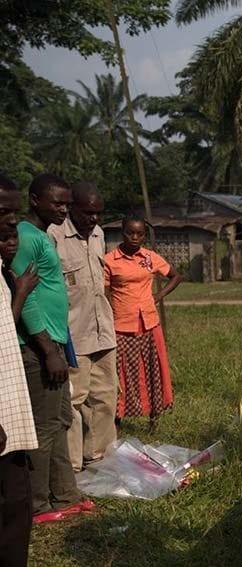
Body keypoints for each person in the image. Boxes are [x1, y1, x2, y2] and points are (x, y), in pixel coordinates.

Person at [12, 173, 94, 520]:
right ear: (35, 201)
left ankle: (65, 494)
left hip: (56, 343)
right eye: (56, 203)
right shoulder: (25, 237)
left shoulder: (43, 236)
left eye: (66, 204)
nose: (63, 209)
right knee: (45, 426)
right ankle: (38, 504)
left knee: (60, 419)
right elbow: (25, 297)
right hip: (38, 346)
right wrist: (46, 349)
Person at [49, 182, 116, 472]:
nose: (94, 219)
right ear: (71, 207)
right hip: (73, 334)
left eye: (98, 213)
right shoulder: (53, 236)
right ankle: (73, 467)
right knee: (74, 401)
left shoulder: (99, 234)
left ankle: (99, 456)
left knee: (106, 397)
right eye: (88, 213)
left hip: (103, 331)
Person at [103, 217, 182, 431]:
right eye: (131, 233)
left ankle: (154, 418)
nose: (135, 238)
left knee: (153, 369)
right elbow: (103, 292)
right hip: (121, 325)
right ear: (122, 232)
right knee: (121, 374)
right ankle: (117, 420)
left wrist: (158, 296)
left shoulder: (150, 257)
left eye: (140, 234)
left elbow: (175, 276)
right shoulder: (110, 260)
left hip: (149, 323)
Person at [0, 174, 38, 565]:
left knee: (16, 513)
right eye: (2, 212)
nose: (12, 222)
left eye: (15, 211)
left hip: (9, 419)